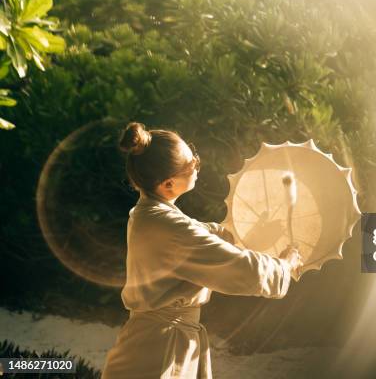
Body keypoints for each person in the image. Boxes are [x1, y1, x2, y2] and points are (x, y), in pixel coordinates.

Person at [101, 122, 302, 379]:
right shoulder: (165, 225)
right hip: (159, 353)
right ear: (169, 184)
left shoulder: (150, 213)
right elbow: (240, 269)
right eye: (192, 163)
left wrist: (253, 228)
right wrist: (283, 265)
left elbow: (210, 233)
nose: (197, 164)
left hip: (152, 344)